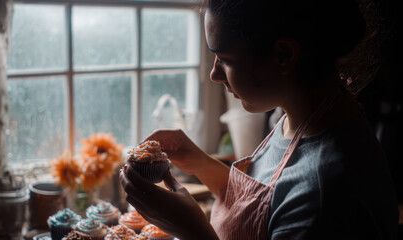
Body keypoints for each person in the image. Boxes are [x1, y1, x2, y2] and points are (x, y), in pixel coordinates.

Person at [120, 0, 398, 239]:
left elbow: (294, 193)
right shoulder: (301, 113)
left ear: (283, 55)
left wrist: (190, 228)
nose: (214, 75)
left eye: (224, 58)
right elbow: (267, 203)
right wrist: (201, 163)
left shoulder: (326, 194)